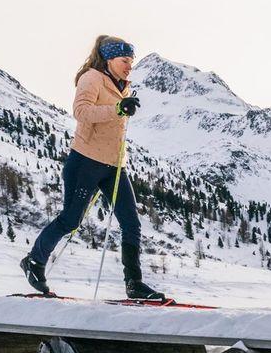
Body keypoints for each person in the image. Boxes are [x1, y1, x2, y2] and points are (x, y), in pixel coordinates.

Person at [20, 34, 164, 301]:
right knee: (70, 220)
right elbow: (82, 112)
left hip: (114, 166)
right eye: (124, 60)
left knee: (131, 223)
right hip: (85, 161)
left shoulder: (123, 87)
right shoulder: (91, 78)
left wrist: (121, 107)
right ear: (109, 59)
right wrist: (118, 109)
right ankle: (34, 261)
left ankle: (134, 283)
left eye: (131, 61)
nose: (129, 66)